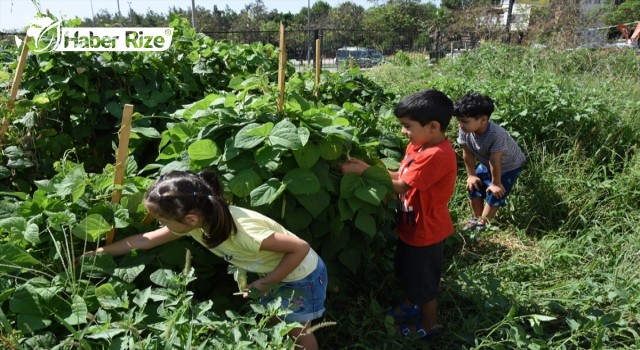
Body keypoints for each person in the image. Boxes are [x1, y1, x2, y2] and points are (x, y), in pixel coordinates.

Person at [83, 169, 328, 350]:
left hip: (301, 275)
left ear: (189, 218)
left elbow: (301, 249)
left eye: (163, 221)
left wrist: (267, 282)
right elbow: (145, 240)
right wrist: (98, 254)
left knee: (298, 330)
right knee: (277, 318)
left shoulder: (245, 233)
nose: (161, 225)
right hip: (275, 274)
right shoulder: (196, 222)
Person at [340, 89, 457, 341]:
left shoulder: (436, 154)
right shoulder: (418, 146)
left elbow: (403, 186)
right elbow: (402, 175)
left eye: (407, 126)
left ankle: (429, 324)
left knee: (425, 284)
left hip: (426, 232)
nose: (403, 131)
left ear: (433, 126)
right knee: (407, 272)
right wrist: (366, 167)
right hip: (411, 227)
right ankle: (409, 303)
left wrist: (363, 173)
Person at [454, 92, 526, 231]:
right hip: (487, 163)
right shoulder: (465, 129)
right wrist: (471, 175)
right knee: (473, 185)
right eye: (459, 120)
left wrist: (496, 183)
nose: (461, 125)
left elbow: (495, 161)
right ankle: (476, 217)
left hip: (509, 165)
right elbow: (467, 153)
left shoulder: (496, 135)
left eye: (465, 121)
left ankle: (483, 223)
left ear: (483, 120)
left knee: (496, 193)